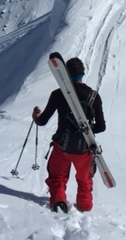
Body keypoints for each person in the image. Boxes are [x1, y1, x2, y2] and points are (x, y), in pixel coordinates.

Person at [32, 57, 106, 213]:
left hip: (62, 147)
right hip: (84, 149)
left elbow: (42, 121)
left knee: (57, 176)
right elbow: (101, 127)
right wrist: (86, 129)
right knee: (85, 180)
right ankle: (84, 207)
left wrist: (35, 116)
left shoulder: (58, 94)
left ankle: (58, 201)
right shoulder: (93, 96)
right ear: (83, 74)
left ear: (65, 74)